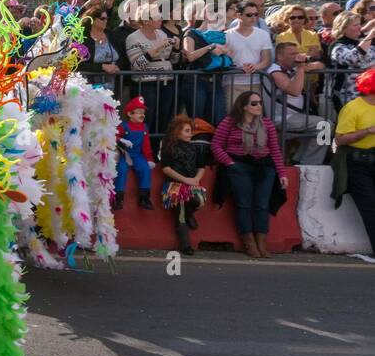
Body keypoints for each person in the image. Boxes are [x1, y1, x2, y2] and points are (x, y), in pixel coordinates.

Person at [211, 90, 287, 259]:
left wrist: (282, 173)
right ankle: (250, 243)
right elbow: (216, 145)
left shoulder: (267, 124)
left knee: (262, 205)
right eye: (254, 103)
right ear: (243, 106)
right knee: (243, 204)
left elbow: (275, 151)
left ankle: (262, 243)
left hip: (264, 167)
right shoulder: (229, 123)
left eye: (260, 102)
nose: (259, 106)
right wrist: (230, 162)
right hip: (239, 165)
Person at [262, 42, 328, 165]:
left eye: (297, 53)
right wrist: (301, 68)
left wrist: (306, 65)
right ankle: (309, 164)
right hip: (281, 118)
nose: (296, 56)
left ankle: (298, 161)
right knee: (325, 126)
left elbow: (321, 65)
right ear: (280, 57)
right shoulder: (275, 71)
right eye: (292, 54)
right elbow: (294, 91)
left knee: (320, 130)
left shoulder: (291, 68)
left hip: (295, 116)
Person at [332, 68, 375, 252]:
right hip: (358, 163)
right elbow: (340, 139)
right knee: (370, 206)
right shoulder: (353, 108)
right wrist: (367, 131)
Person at [124, 4, 177, 137]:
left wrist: (176, 48)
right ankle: (144, 152)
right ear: (146, 20)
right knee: (148, 119)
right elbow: (137, 65)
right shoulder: (133, 38)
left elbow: (172, 60)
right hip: (146, 85)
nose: (161, 19)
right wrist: (157, 48)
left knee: (163, 121)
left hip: (166, 83)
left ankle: (155, 153)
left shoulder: (162, 34)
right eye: (157, 16)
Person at [159, 114, 206, 255]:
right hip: (174, 185)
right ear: (177, 131)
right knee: (180, 211)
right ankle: (186, 245)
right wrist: (185, 180)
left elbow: (201, 167)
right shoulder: (168, 147)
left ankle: (190, 214)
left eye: (191, 131)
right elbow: (166, 168)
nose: (190, 133)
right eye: (187, 130)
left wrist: (196, 179)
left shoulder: (195, 148)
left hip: (192, 184)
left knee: (199, 200)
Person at [181, 0, 232, 124]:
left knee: (219, 119)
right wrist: (210, 47)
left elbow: (230, 54)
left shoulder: (220, 35)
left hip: (215, 80)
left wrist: (225, 50)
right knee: (197, 121)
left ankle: (214, 144)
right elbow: (190, 56)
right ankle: (196, 144)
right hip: (196, 81)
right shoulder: (191, 33)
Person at [114, 95, 154, 209]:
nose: (142, 115)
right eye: (139, 112)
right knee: (121, 169)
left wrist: (149, 159)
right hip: (124, 154)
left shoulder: (144, 128)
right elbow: (114, 136)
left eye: (143, 112)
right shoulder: (124, 126)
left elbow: (146, 145)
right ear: (130, 114)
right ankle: (119, 198)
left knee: (145, 168)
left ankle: (144, 198)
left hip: (137, 155)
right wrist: (121, 139)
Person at [329, 11, 375, 107]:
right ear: (343, 28)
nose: (360, 27)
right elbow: (352, 58)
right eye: (355, 25)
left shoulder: (362, 42)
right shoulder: (337, 46)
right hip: (347, 96)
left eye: (359, 24)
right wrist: (370, 35)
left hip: (369, 96)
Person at [77, 7, 121, 78]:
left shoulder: (111, 35)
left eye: (107, 18)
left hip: (114, 84)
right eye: (102, 18)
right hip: (89, 85)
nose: (105, 21)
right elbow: (78, 64)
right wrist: (102, 67)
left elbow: (121, 58)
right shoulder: (82, 38)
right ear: (92, 20)